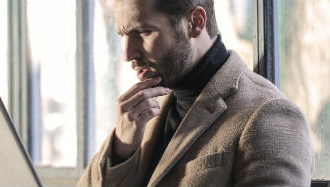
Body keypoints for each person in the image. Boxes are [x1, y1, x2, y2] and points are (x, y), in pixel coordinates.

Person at [77, 0, 314, 186]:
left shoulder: (269, 115)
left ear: (195, 22)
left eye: (144, 32)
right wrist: (121, 149)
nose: (128, 54)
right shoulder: (144, 111)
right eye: (123, 35)